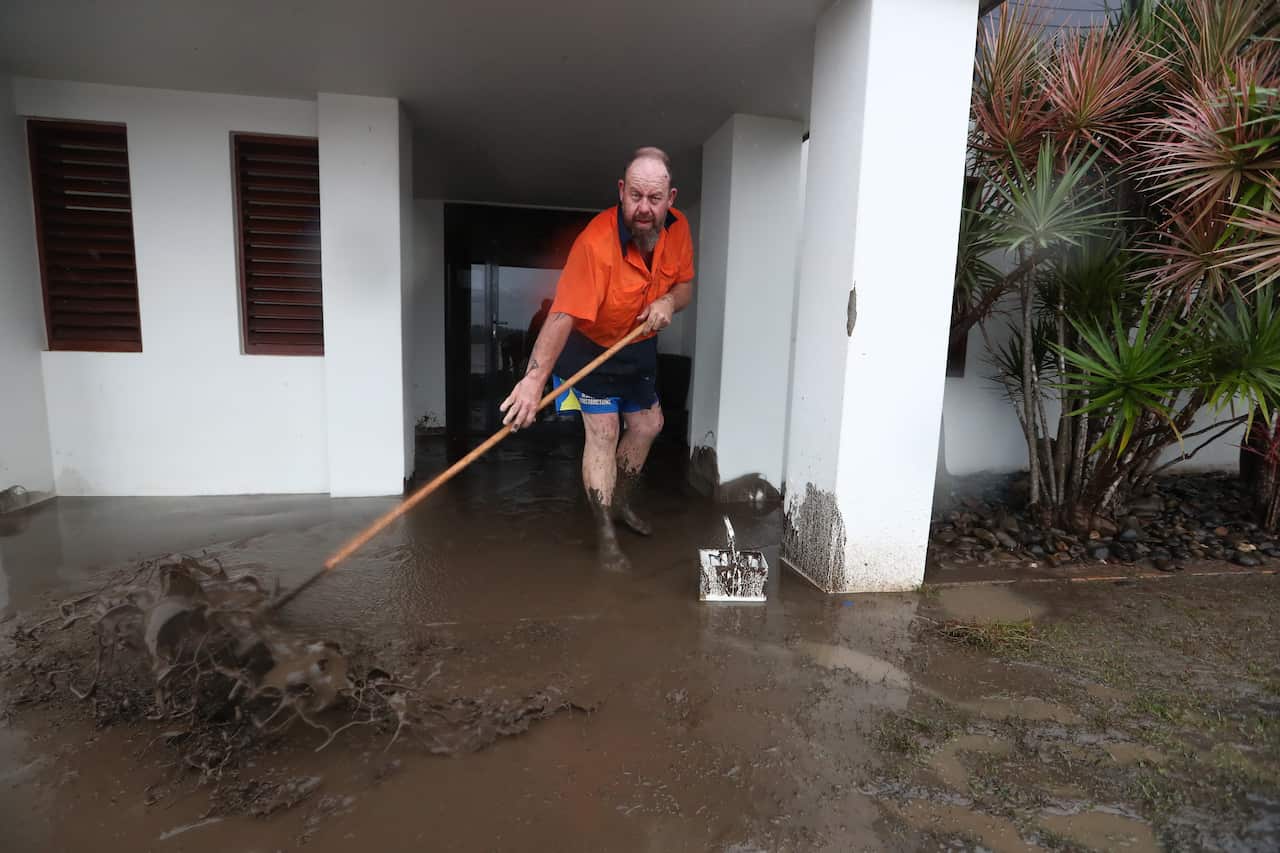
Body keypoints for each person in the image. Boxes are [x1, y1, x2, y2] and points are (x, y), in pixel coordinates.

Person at [500, 147, 695, 572]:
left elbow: (684, 288)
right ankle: (605, 532)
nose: (644, 209)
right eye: (636, 196)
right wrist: (534, 381)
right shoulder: (594, 244)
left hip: (637, 343)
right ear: (622, 192)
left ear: (671, 198)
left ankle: (620, 503)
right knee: (604, 432)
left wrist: (666, 300)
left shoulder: (679, 232)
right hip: (589, 346)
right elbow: (562, 314)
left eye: (655, 199)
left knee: (649, 424)